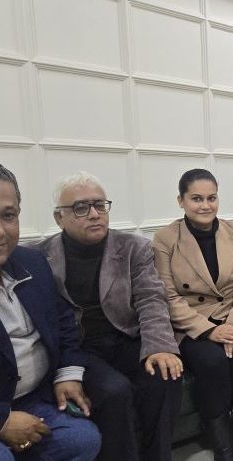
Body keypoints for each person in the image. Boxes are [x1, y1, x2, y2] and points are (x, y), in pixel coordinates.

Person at [27, 172, 182, 461]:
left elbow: (151, 299)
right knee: (114, 391)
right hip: (79, 349)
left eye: (100, 205)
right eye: (81, 208)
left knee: (165, 377)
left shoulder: (133, 247)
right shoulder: (38, 257)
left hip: (125, 338)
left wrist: (159, 346)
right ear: (59, 218)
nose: (94, 214)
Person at [153, 169, 233, 461]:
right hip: (193, 319)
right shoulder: (165, 239)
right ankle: (223, 446)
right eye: (196, 199)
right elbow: (168, 296)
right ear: (181, 201)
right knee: (211, 362)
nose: (205, 205)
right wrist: (210, 331)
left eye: (211, 198)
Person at [0, 164, 101, 461]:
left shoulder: (32, 262)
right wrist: (3, 420)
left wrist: (67, 375)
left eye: (8, 216)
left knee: (82, 440)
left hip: (34, 396)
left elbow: (63, 323)